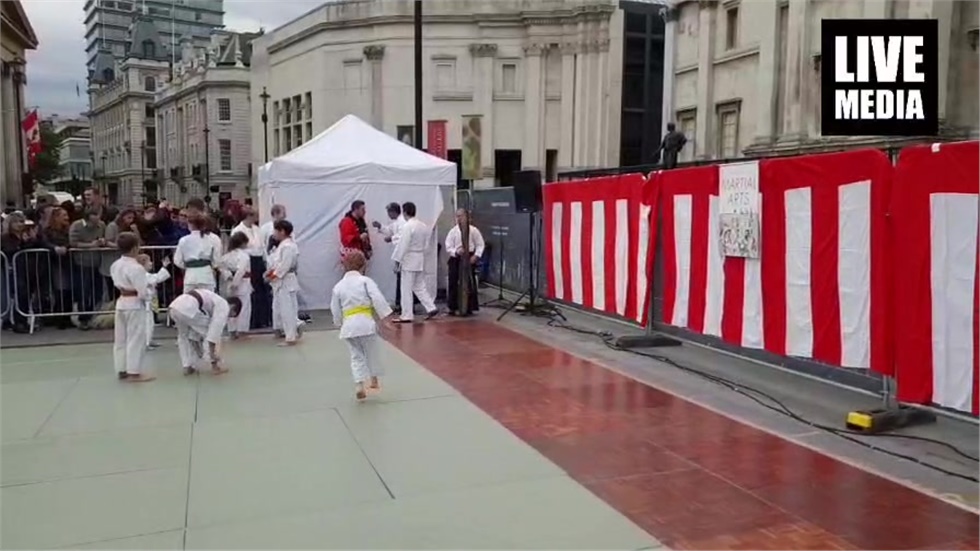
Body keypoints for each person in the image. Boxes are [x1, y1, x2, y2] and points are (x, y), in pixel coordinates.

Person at [330, 250, 395, 400]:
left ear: (344, 266)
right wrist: (385, 317)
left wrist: (338, 322)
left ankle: (359, 385)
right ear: (363, 265)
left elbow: (335, 307)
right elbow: (377, 298)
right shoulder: (365, 281)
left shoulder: (338, 286)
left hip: (348, 325)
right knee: (371, 352)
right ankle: (374, 380)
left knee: (356, 356)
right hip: (365, 323)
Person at [110, 232, 155, 382]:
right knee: (136, 338)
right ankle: (134, 372)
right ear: (135, 248)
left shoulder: (115, 265)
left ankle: (121, 369)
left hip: (121, 303)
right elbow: (142, 292)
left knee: (120, 339)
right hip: (134, 304)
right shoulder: (136, 268)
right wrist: (149, 293)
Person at [169, 289, 239, 376]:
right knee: (211, 332)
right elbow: (213, 334)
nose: (228, 318)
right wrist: (212, 355)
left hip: (174, 307)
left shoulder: (214, 299)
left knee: (183, 336)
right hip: (188, 308)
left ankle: (187, 366)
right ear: (233, 307)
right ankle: (215, 366)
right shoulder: (224, 306)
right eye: (231, 315)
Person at [391, 202, 438, 323]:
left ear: (404, 212)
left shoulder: (408, 226)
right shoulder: (422, 226)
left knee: (406, 288)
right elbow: (426, 243)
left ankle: (407, 314)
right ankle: (431, 307)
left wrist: (397, 260)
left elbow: (403, 244)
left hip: (409, 259)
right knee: (419, 286)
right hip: (419, 258)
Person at [231, 208, 270, 329]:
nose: (256, 218)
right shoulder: (238, 230)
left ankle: (263, 319)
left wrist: (265, 261)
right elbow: (236, 248)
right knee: (250, 290)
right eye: (254, 216)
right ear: (248, 216)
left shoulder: (257, 229)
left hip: (259, 260)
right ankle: (252, 320)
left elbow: (263, 246)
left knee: (261, 290)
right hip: (247, 260)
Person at [68, 208, 107, 330]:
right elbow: (73, 243)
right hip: (82, 263)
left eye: (98, 215)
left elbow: (104, 238)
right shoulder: (76, 226)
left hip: (97, 262)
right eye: (95, 215)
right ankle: (83, 318)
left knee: (98, 292)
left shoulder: (102, 225)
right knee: (84, 292)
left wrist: (102, 241)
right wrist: (90, 245)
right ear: (88, 217)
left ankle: (91, 314)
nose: (98, 218)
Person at [265, 219, 303, 345]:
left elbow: (284, 266)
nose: (274, 233)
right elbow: (278, 265)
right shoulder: (285, 245)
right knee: (286, 309)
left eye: (275, 230)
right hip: (284, 280)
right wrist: (270, 273)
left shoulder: (288, 246)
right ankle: (293, 332)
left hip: (285, 281)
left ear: (282, 231)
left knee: (287, 310)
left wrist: (272, 276)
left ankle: (290, 337)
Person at [445, 209, 485, 316]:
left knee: (469, 283)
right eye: (457, 216)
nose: (459, 219)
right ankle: (452, 306)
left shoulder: (473, 230)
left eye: (461, 216)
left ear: (467, 217)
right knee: (453, 282)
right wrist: (456, 251)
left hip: (469, 257)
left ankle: (469, 307)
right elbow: (448, 246)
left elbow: (480, 244)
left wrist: (476, 256)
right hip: (456, 258)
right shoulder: (453, 231)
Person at [372, 202, 407, 313]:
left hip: (404, 255)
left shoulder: (402, 222)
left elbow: (402, 237)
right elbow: (389, 230)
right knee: (400, 279)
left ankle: (401, 304)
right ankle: (399, 303)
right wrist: (380, 226)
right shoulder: (396, 222)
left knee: (403, 280)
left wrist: (391, 238)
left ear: (393, 212)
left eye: (389, 212)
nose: (388, 215)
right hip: (399, 254)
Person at [173, 213, 221, 292]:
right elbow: (216, 260)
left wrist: (187, 266)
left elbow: (177, 260)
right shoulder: (210, 239)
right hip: (206, 274)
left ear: (190, 224)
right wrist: (213, 266)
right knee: (207, 298)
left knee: (190, 299)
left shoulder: (184, 240)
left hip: (190, 275)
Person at [219, 231, 253, 339]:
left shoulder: (226, 257)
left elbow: (221, 267)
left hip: (229, 282)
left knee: (232, 305)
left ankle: (232, 331)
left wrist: (229, 276)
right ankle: (242, 331)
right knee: (244, 307)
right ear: (242, 243)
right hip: (242, 282)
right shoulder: (244, 256)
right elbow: (241, 270)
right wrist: (235, 283)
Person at [138, 253, 170, 349]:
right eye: (149, 261)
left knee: (150, 323)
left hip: (148, 303)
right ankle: (146, 343)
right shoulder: (143, 275)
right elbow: (157, 278)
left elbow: (156, 277)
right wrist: (164, 267)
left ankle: (149, 340)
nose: (151, 263)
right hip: (145, 303)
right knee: (147, 323)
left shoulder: (145, 275)